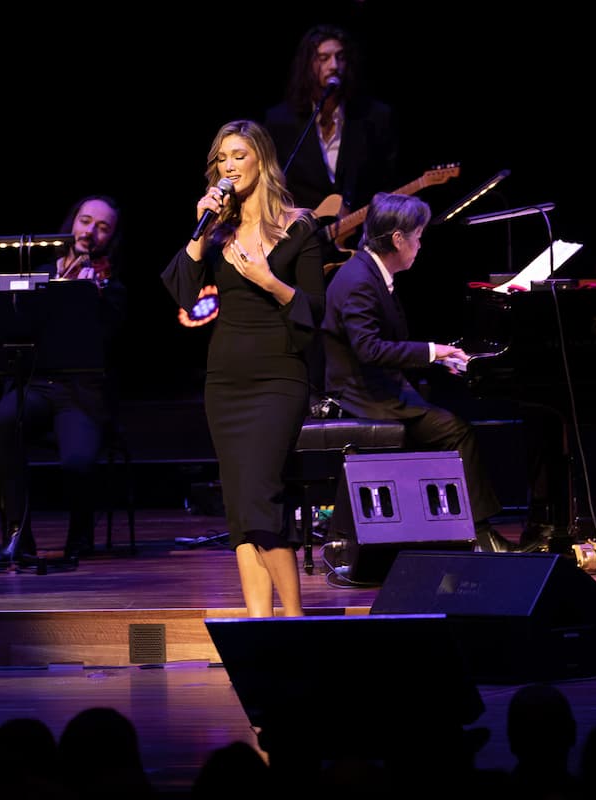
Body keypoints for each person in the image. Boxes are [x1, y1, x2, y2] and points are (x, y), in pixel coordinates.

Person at [162, 120, 325, 617]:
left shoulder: (299, 227)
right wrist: (199, 233)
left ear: (262, 160)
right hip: (226, 382)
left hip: (278, 378)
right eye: (222, 160)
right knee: (240, 506)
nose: (229, 166)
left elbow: (315, 312)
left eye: (239, 156)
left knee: (259, 494)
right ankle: (259, 621)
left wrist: (268, 279)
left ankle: (294, 620)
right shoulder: (217, 232)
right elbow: (184, 298)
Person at [319, 192, 514, 551]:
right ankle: (480, 534)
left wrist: (439, 358)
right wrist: (433, 352)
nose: (420, 245)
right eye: (418, 237)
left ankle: (445, 532)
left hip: (378, 389)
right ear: (398, 239)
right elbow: (370, 349)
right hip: (361, 397)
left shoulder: (371, 272)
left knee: (446, 424)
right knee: (456, 432)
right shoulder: (359, 281)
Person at [0, 195, 127, 563]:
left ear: (111, 237)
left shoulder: (110, 286)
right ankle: (19, 534)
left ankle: (80, 536)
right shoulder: (41, 273)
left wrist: (94, 301)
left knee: (78, 462)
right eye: (85, 221)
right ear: (72, 224)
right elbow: (10, 330)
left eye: (102, 227)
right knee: (4, 421)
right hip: (35, 385)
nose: (90, 232)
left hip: (79, 393)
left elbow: (110, 342)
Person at [263, 24, 398, 232]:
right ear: (307, 65)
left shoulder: (374, 117)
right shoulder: (280, 121)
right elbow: (272, 187)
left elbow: (387, 181)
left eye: (341, 57)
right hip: (301, 240)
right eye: (323, 58)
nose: (334, 65)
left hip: (360, 239)